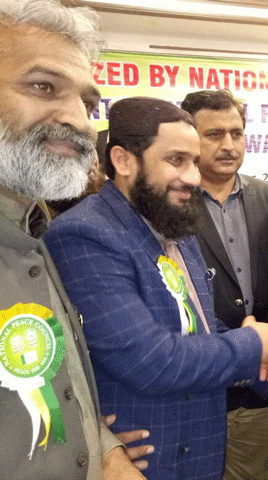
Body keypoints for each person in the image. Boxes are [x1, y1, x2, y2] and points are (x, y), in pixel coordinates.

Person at [45, 97, 268, 480]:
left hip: (197, 450)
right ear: (123, 161)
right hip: (142, 459)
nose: (193, 176)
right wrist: (255, 344)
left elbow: (198, 329)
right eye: (176, 160)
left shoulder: (176, 227)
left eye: (194, 161)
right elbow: (150, 359)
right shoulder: (86, 234)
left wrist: (263, 363)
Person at [0, 1, 149, 478]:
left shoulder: (32, 229)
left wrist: (100, 445)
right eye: (43, 86)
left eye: (87, 104)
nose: (80, 121)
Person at [181, 89, 268, 480]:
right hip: (196, 388)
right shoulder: (170, 201)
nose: (228, 145)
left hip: (259, 388)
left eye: (237, 133)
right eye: (213, 135)